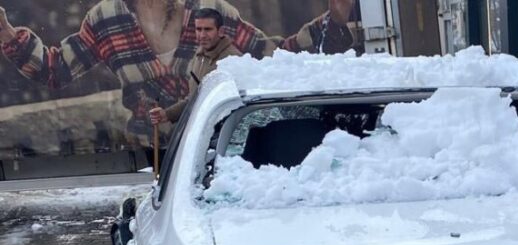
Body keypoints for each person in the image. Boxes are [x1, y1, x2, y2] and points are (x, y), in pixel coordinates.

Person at [0, 0, 355, 144]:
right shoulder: (107, 18)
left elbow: (274, 57)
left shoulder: (211, 11)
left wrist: (334, 22)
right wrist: (7, 34)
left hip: (211, 146)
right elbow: (56, 69)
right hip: (149, 153)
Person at [150, 8, 236, 125]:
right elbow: (194, 98)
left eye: (208, 29)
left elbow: (235, 106)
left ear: (220, 31)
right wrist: (167, 114)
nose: (202, 35)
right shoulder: (199, 55)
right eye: (198, 29)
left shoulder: (232, 60)